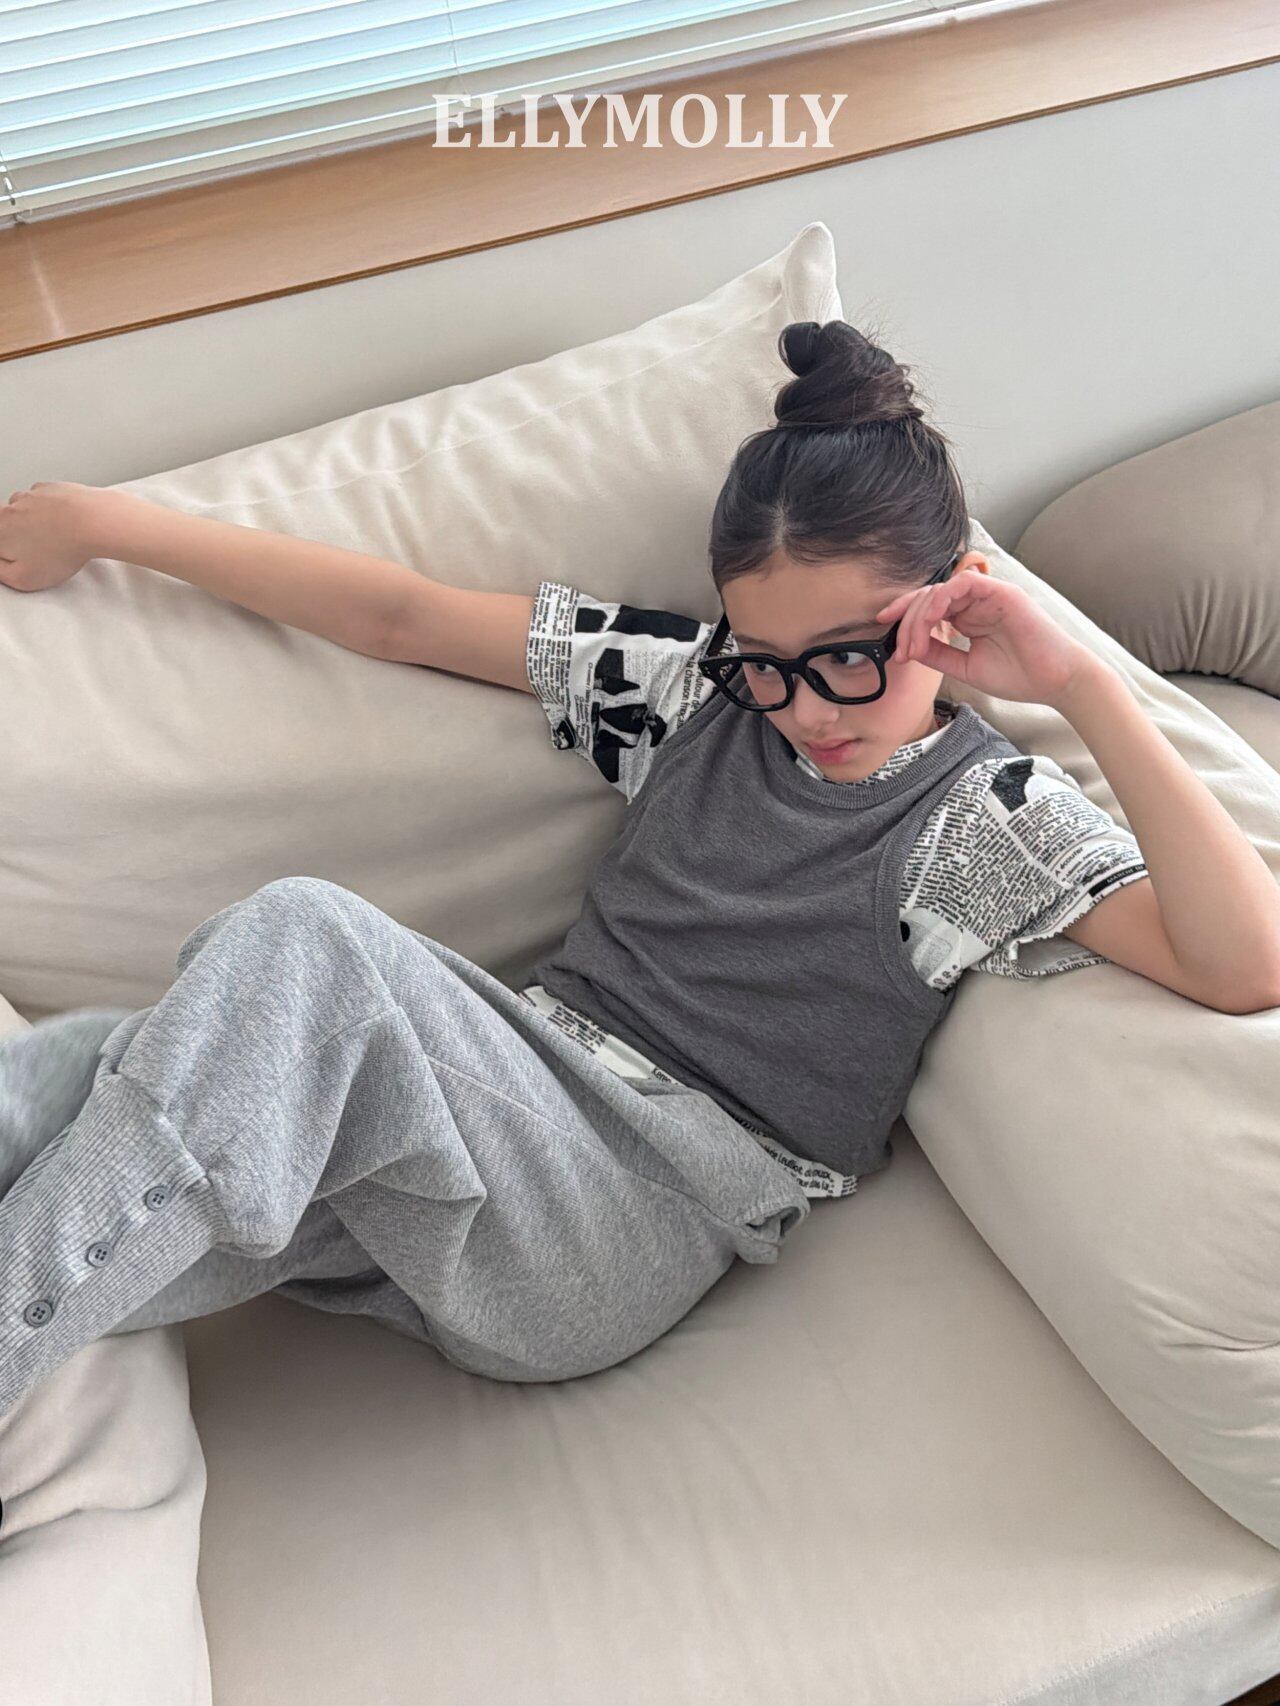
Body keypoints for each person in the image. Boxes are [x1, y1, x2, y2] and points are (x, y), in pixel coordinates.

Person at [1, 319, 1277, 1436]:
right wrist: (111, 528)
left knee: (302, 942)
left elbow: (1241, 960)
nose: (803, 707)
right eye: (768, 663)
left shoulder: (978, 822)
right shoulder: (691, 691)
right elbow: (402, 615)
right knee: (94, 1072)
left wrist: (1078, 683)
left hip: (637, 1212)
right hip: (482, 1156)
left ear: (954, 606)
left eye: (847, 657)